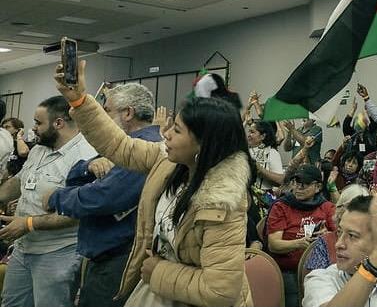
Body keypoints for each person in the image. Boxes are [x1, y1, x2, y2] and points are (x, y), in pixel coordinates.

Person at [55, 60, 253, 306]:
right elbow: (121, 146)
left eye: (176, 130)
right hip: (163, 291)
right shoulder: (170, 162)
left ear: (203, 145)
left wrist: (158, 271)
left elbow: (220, 290)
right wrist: (79, 101)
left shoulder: (223, 202)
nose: (165, 134)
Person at [46, 83, 160, 307]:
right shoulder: (122, 147)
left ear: (128, 113)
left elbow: (101, 198)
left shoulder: (144, 147)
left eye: (106, 110)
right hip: (104, 254)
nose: (101, 116)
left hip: (118, 258)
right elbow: (75, 177)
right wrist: (88, 167)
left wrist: (55, 197)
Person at [0, 96, 95, 307]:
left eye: (38, 122)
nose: (33, 128)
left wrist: (28, 224)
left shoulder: (86, 156)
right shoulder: (39, 149)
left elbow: (79, 213)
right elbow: (19, 181)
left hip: (58, 253)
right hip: (23, 248)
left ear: (58, 123)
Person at [267, 164, 336, 307]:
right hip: (289, 269)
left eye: (304, 184)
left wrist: (327, 236)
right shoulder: (281, 206)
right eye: (296, 183)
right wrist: (299, 243)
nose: (298, 187)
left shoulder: (327, 207)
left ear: (318, 187)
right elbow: (274, 245)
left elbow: (340, 237)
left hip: (322, 270)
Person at [303, 184, 370, 273]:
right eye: (352, 208)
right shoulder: (325, 242)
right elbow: (316, 277)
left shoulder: (376, 243)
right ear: (340, 211)